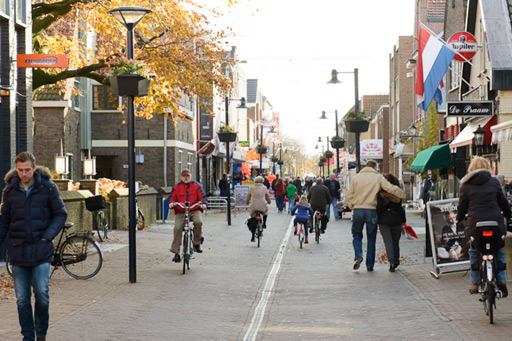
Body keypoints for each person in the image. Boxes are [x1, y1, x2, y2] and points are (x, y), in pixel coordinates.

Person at [0, 151, 68, 341]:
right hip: (18, 250)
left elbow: (60, 214)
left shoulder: (48, 188)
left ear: (34, 168)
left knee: (41, 293)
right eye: (20, 170)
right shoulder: (10, 190)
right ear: (16, 169)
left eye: (27, 170)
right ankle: (28, 336)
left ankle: (42, 334)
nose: (23, 174)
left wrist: (47, 237)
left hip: (41, 249)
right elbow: (4, 220)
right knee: (22, 298)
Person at [456, 156, 511, 296]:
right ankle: (502, 279)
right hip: (495, 223)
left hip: (475, 224)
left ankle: (474, 282)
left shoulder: (466, 184)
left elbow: (462, 207)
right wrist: (508, 215)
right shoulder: (494, 182)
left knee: (474, 250)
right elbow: (503, 202)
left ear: (471, 168)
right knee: (498, 250)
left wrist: (458, 219)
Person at [347, 160, 405, 271]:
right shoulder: (378, 178)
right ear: (374, 167)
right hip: (371, 210)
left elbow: (349, 195)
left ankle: (358, 254)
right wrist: (401, 194)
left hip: (358, 210)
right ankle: (370, 265)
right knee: (371, 238)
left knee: (357, 235)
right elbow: (390, 188)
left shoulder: (355, 178)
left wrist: (352, 206)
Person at [168, 169, 207, 262]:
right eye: (184, 176)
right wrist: (171, 203)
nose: (186, 177)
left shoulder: (197, 186)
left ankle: (196, 243)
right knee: (177, 228)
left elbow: (202, 197)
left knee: (198, 222)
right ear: (181, 177)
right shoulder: (176, 187)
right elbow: (172, 198)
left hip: (194, 209)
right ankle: (176, 253)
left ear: (190, 176)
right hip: (181, 210)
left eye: (187, 176)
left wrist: (203, 204)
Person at [377, 173, 406, 272]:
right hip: (396, 219)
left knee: (388, 242)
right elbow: (400, 208)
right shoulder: (397, 192)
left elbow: (379, 208)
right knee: (395, 242)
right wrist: (403, 220)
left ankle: (392, 262)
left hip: (384, 220)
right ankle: (396, 259)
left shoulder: (381, 193)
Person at [245, 176, 271, 242]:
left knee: (253, 219)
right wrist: (269, 201)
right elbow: (267, 196)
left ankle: (253, 237)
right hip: (262, 205)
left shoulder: (252, 188)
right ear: (262, 181)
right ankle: (264, 223)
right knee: (265, 212)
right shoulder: (264, 188)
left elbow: (248, 196)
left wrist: (247, 202)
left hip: (254, 205)